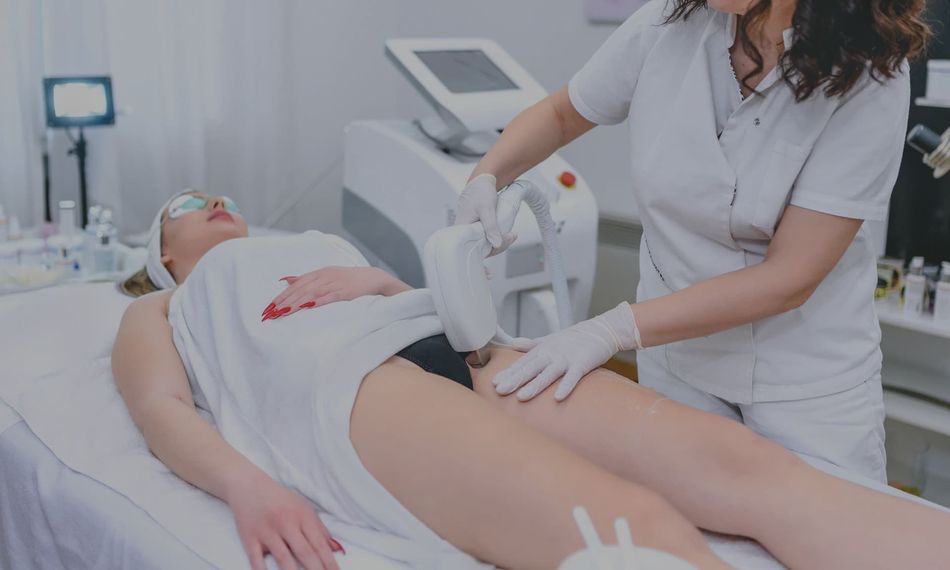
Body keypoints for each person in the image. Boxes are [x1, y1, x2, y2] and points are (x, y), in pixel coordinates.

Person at [113, 191, 950, 570]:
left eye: (221, 192)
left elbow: (431, 303)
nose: (215, 200)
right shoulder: (167, 308)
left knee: (749, 469)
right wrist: (248, 487)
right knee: (625, 525)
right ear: (165, 256)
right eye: (187, 202)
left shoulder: (315, 245)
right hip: (344, 385)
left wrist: (387, 286)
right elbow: (159, 407)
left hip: (449, 341)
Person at [452, 0, 931, 483]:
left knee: (822, 537)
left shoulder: (870, 75)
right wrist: (486, 176)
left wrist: (610, 330)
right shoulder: (669, 22)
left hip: (802, 380)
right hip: (676, 357)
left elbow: (788, 278)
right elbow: (561, 114)